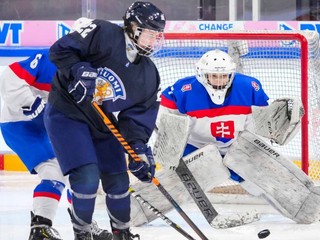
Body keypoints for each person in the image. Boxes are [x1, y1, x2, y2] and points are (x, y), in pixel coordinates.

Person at [129, 49, 320, 226]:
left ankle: (307, 204)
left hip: (237, 145)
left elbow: (263, 124)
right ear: (202, 74)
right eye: (214, 75)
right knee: (181, 181)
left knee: (262, 181)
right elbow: (167, 128)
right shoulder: (182, 91)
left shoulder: (248, 87)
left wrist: (278, 127)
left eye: (224, 76)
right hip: (195, 146)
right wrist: (172, 154)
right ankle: (133, 211)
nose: (219, 80)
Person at [44, 2, 166, 240]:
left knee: (119, 181)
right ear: (132, 27)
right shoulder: (103, 32)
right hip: (67, 113)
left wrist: (138, 149)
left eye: (157, 35)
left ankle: (122, 232)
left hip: (101, 122)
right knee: (87, 177)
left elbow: (137, 118)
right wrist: (79, 69)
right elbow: (60, 50)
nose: (153, 41)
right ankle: (83, 233)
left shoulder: (149, 74)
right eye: (149, 33)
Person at [0, 49, 113, 240]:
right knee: (53, 172)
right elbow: (10, 77)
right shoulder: (50, 59)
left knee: (79, 173)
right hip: (21, 125)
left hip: (52, 125)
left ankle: (83, 225)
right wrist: (32, 104)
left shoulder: (98, 73)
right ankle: (40, 228)